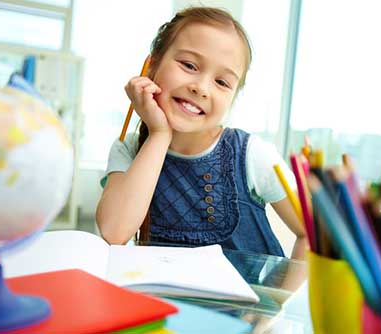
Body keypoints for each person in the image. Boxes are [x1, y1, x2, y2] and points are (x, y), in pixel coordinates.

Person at [96, 6, 306, 260]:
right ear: (150, 67)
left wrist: (281, 298)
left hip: (252, 299)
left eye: (222, 82)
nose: (202, 88)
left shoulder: (251, 155)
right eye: (189, 65)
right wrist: (159, 134)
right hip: (169, 299)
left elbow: (312, 236)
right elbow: (114, 232)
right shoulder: (128, 149)